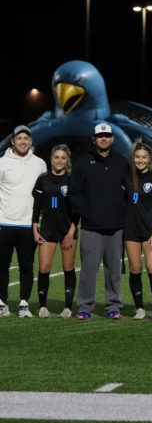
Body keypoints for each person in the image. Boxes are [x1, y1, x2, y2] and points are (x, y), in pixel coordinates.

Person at [68, 123, 129, 320]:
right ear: (93, 139)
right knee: (88, 270)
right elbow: (74, 193)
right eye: (100, 136)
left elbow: (129, 191)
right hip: (91, 227)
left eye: (107, 136)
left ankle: (113, 306)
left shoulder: (121, 161)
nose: (104, 139)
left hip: (116, 227)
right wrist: (87, 213)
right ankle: (85, 307)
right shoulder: (82, 162)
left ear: (112, 139)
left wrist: (123, 214)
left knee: (113, 272)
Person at [0, 125, 47, 317]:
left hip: (29, 226)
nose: (23, 141)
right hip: (4, 223)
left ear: (31, 142)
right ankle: (2, 303)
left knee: (26, 267)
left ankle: (23, 303)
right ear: (12, 141)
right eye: (19, 138)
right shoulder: (2, 162)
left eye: (26, 138)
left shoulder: (40, 164)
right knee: (2, 266)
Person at [32, 144, 77, 318]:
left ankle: (67, 307)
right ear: (51, 159)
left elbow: (77, 211)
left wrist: (71, 232)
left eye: (63, 158)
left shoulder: (72, 180)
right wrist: (35, 228)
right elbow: (36, 208)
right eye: (56, 157)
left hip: (68, 231)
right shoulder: (42, 179)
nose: (59, 161)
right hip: (47, 231)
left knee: (68, 267)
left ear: (67, 161)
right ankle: (43, 307)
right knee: (44, 267)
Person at [124, 142, 152, 321]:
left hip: (150, 232)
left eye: (144, 157)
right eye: (137, 157)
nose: (140, 160)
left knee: (151, 267)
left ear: (149, 159)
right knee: (135, 268)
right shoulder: (126, 178)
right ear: (133, 158)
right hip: (130, 231)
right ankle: (139, 309)